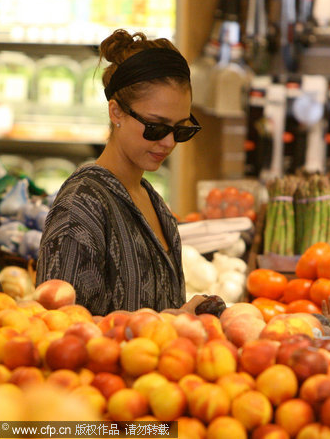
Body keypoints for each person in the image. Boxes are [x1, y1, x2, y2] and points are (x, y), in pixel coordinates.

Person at [36, 29, 207, 316]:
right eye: (156, 126)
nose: (168, 142)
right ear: (116, 112)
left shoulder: (150, 198)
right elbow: (60, 330)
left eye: (181, 129)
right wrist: (167, 322)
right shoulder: (81, 205)